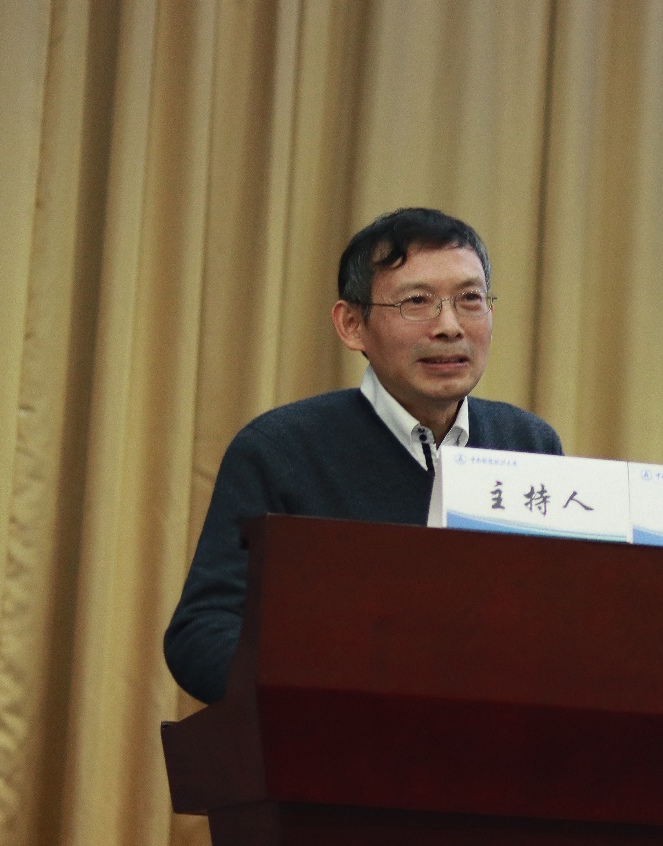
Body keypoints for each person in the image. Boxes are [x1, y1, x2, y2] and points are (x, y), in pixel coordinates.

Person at [164, 208, 563, 703]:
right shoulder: (280, 450)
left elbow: (558, 620)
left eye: (470, 300)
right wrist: (323, 686)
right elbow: (202, 632)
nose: (449, 326)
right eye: (417, 302)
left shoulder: (528, 445)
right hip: (335, 737)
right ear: (352, 324)